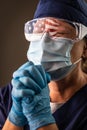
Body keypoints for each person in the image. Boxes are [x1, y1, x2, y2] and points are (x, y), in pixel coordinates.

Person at [0, 0, 87, 130]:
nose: (44, 41)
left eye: (58, 32)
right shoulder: (10, 95)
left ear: (85, 49)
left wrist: (40, 119)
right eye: (38, 31)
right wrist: (15, 117)